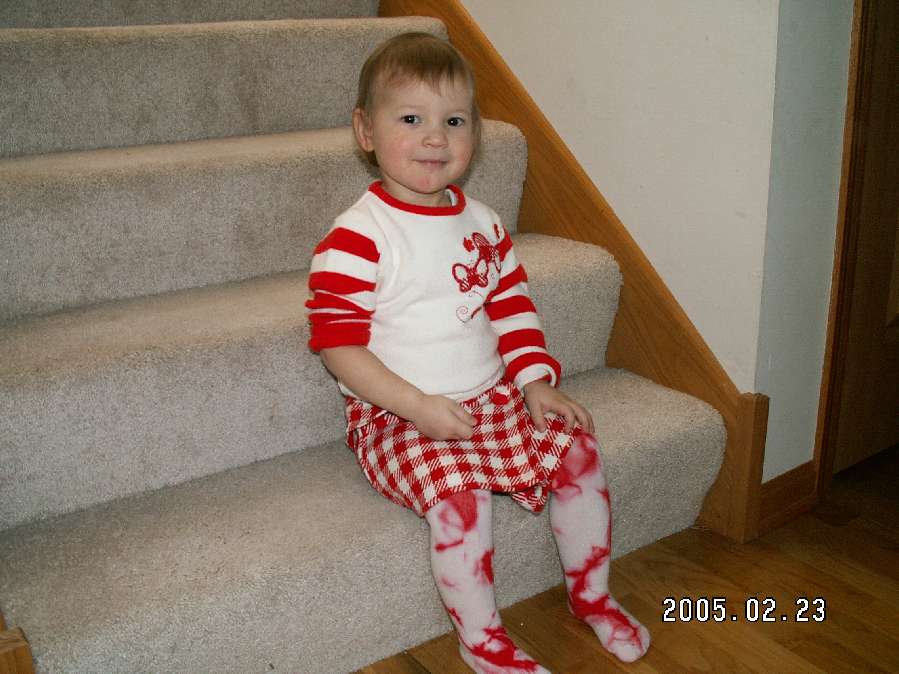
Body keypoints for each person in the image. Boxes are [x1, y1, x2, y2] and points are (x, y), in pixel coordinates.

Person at [306, 32, 650, 673]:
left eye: (454, 121)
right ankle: (483, 641)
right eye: (411, 119)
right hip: (397, 416)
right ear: (365, 131)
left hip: (491, 397)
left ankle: (593, 596)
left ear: (476, 133)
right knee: (461, 498)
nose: (436, 138)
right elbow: (338, 347)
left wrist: (535, 381)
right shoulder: (357, 236)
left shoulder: (485, 224)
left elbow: (511, 308)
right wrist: (417, 405)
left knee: (577, 447)